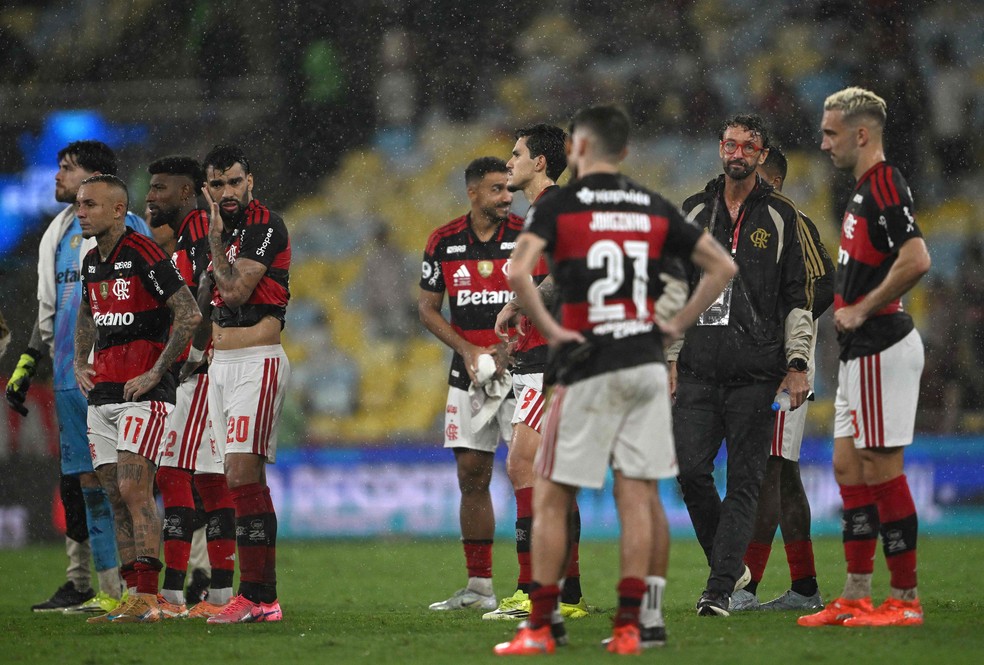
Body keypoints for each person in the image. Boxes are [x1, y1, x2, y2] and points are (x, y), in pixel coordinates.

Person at [493, 104, 736, 656]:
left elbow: (518, 273)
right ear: (624, 152)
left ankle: (544, 622)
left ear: (576, 151)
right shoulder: (649, 205)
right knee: (641, 497)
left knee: (550, 494)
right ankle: (635, 622)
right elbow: (721, 267)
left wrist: (551, 326)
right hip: (644, 363)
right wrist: (675, 323)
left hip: (587, 366)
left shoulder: (562, 205)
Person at [670, 113, 823, 617]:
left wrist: (797, 362)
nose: (737, 153)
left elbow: (801, 296)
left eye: (747, 146)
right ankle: (731, 566)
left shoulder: (783, 216)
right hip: (696, 368)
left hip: (758, 373)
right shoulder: (693, 212)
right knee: (690, 472)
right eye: (730, 144)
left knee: (748, 481)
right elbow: (673, 291)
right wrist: (668, 359)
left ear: (761, 155)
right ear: (720, 148)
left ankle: (718, 591)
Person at [799, 87, 930, 628]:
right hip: (859, 354)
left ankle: (905, 599)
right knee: (848, 467)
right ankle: (855, 594)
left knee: (881, 468)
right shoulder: (860, 191)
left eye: (831, 133)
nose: (823, 143)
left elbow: (917, 257)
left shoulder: (885, 184)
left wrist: (862, 307)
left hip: (881, 345)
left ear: (860, 134)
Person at [7, 140, 149, 614]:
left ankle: (146, 587)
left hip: (117, 375)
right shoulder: (57, 232)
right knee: (88, 485)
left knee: (126, 485)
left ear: (97, 180)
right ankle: (109, 590)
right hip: (70, 377)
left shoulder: (129, 230)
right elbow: (50, 312)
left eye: (68, 169)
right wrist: (29, 364)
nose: (58, 177)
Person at [73, 175, 201, 623]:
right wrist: (77, 360)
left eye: (89, 204)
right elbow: (88, 311)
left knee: (133, 488)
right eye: (78, 204)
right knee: (113, 494)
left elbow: (188, 312)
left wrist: (156, 371)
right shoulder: (91, 262)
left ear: (115, 209)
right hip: (103, 391)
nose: (80, 211)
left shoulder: (143, 252)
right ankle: (133, 594)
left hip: (143, 394)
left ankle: (150, 596)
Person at [419, 157, 533, 612]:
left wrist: (506, 349)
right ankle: (480, 587)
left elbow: (542, 297)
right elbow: (428, 309)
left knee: (531, 476)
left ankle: (538, 584)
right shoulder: (443, 241)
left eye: (509, 189)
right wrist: (468, 350)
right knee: (471, 475)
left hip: (522, 371)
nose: (507, 197)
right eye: (497, 190)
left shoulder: (527, 235)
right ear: (472, 193)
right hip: (467, 375)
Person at [485, 124, 587, 622]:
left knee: (524, 467)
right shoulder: (545, 210)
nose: (509, 162)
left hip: (555, 357)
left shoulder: (551, 206)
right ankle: (566, 595)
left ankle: (537, 589)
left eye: (517, 153)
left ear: (541, 162)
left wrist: (519, 306)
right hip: (542, 354)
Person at [730, 146, 835, 612]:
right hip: (759, 358)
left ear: (774, 179)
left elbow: (826, 283)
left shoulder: (793, 223)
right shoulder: (747, 226)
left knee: (769, 467)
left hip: (783, 363)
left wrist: (787, 335)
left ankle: (745, 589)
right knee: (784, 471)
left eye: (764, 180)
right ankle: (805, 587)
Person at [198, 145, 292, 624]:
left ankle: (257, 595)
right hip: (220, 364)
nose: (228, 192)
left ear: (249, 181)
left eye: (235, 182)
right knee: (243, 479)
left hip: (257, 359)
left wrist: (213, 243)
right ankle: (261, 598)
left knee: (238, 475)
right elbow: (202, 305)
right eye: (218, 184)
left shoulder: (266, 225)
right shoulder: (215, 234)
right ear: (207, 189)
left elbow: (234, 290)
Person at [144, 156, 237, 619]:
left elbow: (207, 290)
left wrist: (195, 356)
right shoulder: (189, 234)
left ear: (185, 192)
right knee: (208, 478)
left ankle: (178, 593)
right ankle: (217, 595)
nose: (151, 197)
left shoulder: (200, 225)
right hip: (205, 363)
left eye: (160, 188)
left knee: (176, 474)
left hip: (199, 365)